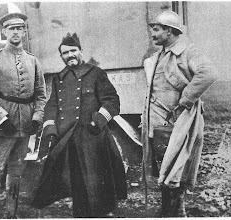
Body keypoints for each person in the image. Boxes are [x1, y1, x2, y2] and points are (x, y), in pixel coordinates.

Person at [31, 33, 127, 217]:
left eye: (73, 51)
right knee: (77, 184)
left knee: (97, 184)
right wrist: (50, 128)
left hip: (93, 138)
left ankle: (102, 213)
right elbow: (52, 105)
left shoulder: (96, 74)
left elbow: (112, 101)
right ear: (61, 56)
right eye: (65, 53)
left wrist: (98, 119)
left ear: (81, 51)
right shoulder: (59, 78)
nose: (70, 55)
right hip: (69, 138)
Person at [141, 10, 217, 217]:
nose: (153, 34)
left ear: (169, 30)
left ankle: (175, 213)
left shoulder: (188, 52)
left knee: (176, 172)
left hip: (177, 124)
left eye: (156, 30)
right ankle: (173, 212)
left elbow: (208, 72)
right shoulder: (157, 57)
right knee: (166, 173)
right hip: (157, 124)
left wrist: (186, 99)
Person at [0, 12, 46, 218]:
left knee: (16, 170)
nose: (16, 32)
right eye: (11, 29)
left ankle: (11, 214)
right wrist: (1, 118)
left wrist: (37, 118)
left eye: (19, 28)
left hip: (25, 124)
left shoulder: (33, 61)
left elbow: (41, 95)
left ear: (24, 32)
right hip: (2, 125)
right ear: (4, 32)